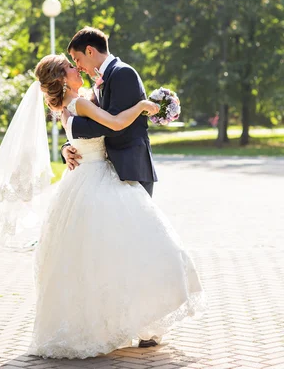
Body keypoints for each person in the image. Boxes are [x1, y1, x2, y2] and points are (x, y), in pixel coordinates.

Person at [25, 51, 204, 359]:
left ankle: (106, 324)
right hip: (97, 180)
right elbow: (117, 123)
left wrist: (68, 146)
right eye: (70, 67)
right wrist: (145, 106)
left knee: (95, 258)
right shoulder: (78, 103)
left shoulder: (69, 106)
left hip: (84, 180)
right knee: (132, 248)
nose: (77, 67)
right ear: (60, 79)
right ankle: (125, 321)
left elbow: (81, 135)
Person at [61, 27, 157, 198]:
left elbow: (113, 125)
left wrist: (73, 126)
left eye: (77, 59)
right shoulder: (103, 78)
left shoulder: (122, 73)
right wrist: (68, 146)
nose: (78, 67)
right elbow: (102, 118)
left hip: (130, 168)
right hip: (112, 170)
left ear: (89, 51)